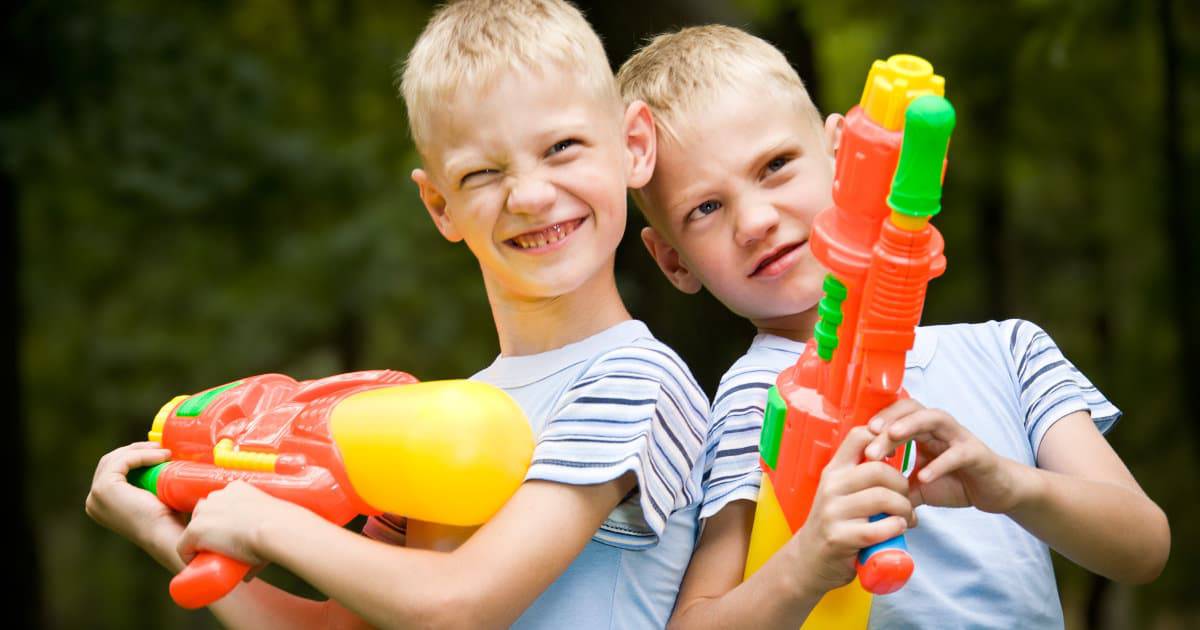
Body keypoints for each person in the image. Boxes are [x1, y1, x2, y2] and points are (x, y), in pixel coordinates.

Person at [85, 2, 710, 627]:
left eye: (562, 147)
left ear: (632, 145)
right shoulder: (447, 416)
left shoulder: (637, 381)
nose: (530, 195)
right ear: (439, 205)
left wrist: (266, 524)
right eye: (484, 172)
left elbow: (459, 607)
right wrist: (162, 529)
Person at [616, 24, 1169, 628]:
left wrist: (1008, 485)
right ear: (673, 261)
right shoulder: (755, 398)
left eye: (775, 166)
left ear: (844, 154)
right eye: (705, 208)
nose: (754, 220)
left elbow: (1142, 546)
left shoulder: (1009, 352)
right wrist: (807, 564)